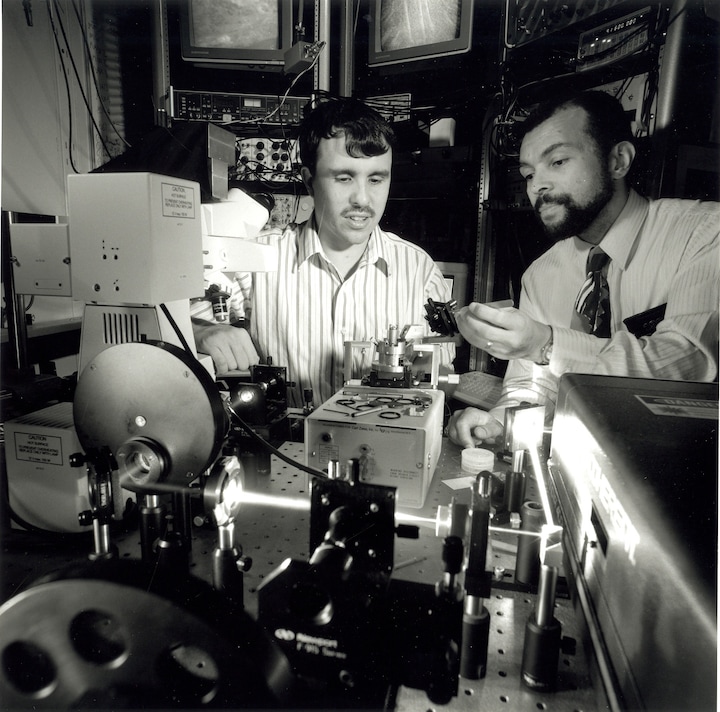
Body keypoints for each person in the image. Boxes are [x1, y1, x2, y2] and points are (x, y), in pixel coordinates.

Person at [448, 89, 719, 449]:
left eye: (557, 161)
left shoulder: (704, 233)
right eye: (528, 175)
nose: (537, 186)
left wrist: (546, 344)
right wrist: (499, 421)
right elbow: (531, 386)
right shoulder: (541, 274)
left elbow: (687, 363)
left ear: (618, 161)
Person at [191, 97, 454, 407]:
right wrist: (203, 334)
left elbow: (443, 379)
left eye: (376, 179)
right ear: (308, 181)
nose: (362, 198)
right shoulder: (252, 259)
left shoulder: (420, 271)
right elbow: (177, 327)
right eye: (343, 178)